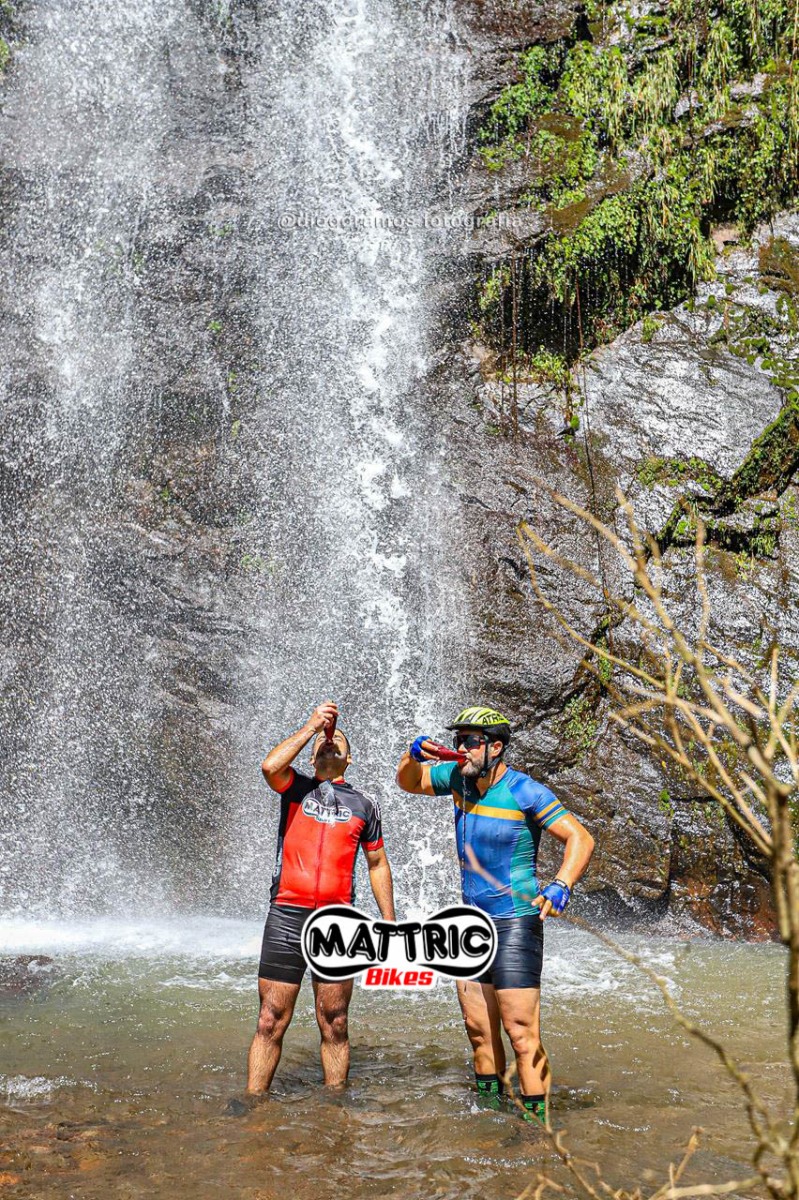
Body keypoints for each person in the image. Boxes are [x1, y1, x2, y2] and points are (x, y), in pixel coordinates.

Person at [396, 705, 594, 1123]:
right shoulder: (457, 778)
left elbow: (580, 838)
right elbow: (409, 782)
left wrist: (561, 884)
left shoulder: (525, 791)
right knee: (479, 1033)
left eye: (470, 741)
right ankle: (489, 1118)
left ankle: (537, 1128)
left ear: (496, 747)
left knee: (521, 1033)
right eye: (458, 740)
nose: (461, 749)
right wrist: (411, 756)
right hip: (470, 925)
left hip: (516, 922)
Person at [247, 701, 395, 1094]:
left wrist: (389, 920)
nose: (330, 744)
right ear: (311, 756)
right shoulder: (295, 787)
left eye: (338, 742)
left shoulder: (365, 804)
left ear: (350, 758)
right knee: (270, 1019)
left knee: (335, 1021)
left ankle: (335, 1107)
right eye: (323, 744)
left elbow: (377, 863)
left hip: (338, 923)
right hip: (287, 914)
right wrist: (312, 727)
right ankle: (255, 1102)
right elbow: (269, 766)